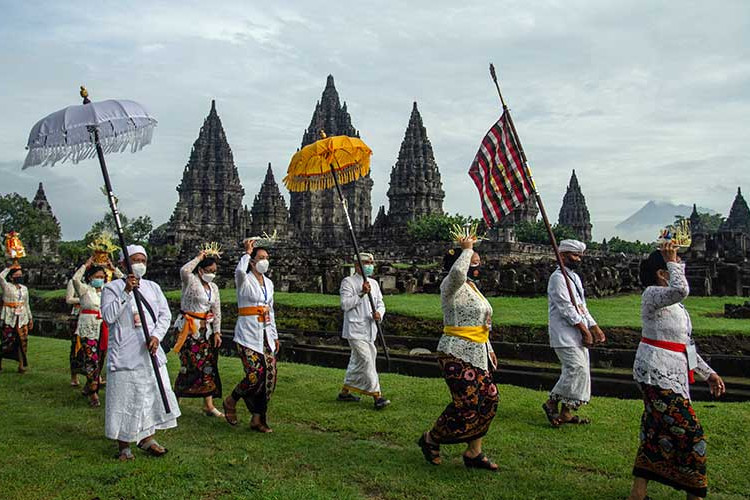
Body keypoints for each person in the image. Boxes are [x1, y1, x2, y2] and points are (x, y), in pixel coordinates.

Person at [628, 241, 725, 500]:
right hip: (655, 373)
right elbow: (681, 289)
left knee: (654, 433)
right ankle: (695, 495)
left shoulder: (676, 307)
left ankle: (637, 494)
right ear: (662, 273)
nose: (680, 267)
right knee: (693, 435)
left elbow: (685, 345)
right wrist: (671, 258)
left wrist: (708, 373)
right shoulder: (651, 294)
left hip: (673, 371)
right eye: (676, 265)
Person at [418, 236, 499, 471]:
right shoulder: (450, 285)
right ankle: (431, 438)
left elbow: (482, 322)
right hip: (455, 352)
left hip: (478, 351)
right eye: (473, 262)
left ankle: (474, 452)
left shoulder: (473, 288)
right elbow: (457, 273)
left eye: (478, 261)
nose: (477, 266)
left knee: (489, 398)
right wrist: (466, 250)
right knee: (467, 403)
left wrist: (489, 348)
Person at [101, 245, 180, 461]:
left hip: (150, 351)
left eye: (143, 261)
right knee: (125, 398)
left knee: (150, 395)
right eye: (135, 260)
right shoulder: (112, 288)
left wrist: (156, 336)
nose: (140, 265)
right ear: (123, 264)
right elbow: (108, 317)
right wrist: (126, 291)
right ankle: (124, 445)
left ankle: (148, 438)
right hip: (125, 353)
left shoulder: (153, 287)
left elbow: (165, 315)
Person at [542, 239, 605, 427]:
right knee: (576, 369)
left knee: (582, 372)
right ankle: (551, 402)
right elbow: (566, 308)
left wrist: (594, 327)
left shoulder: (573, 278)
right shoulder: (557, 278)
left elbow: (581, 307)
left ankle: (567, 411)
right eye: (575, 255)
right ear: (562, 256)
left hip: (577, 332)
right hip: (564, 333)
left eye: (580, 256)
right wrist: (584, 330)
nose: (578, 259)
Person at [223, 239, 278, 433]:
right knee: (255, 374)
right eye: (261, 258)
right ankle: (231, 400)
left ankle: (258, 418)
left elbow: (270, 310)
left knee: (270, 376)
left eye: (267, 258)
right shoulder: (244, 280)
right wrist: (247, 253)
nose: (265, 261)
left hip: (266, 334)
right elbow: (239, 271)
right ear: (252, 262)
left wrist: (274, 335)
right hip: (247, 334)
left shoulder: (269, 283)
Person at [172, 250, 223, 417]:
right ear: (200, 270)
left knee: (207, 365)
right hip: (188, 330)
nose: (212, 274)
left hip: (205, 331)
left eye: (214, 271)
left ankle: (208, 405)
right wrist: (199, 258)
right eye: (209, 271)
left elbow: (216, 310)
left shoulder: (213, 287)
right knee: (190, 365)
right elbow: (184, 270)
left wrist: (217, 332)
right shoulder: (191, 281)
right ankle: (175, 400)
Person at [337, 252, 390, 410]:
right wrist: (361, 293)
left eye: (371, 263)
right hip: (355, 330)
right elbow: (345, 304)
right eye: (367, 263)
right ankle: (377, 396)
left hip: (370, 329)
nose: (370, 266)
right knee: (367, 360)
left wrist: (379, 313)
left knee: (358, 361)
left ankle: (345, 391)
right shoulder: (348, 282)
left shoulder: (374, 283)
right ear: (357, 265)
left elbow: (380, 303)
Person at [71, 256, 123, 407]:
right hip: (88, 327)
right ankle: (93, 391)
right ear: (90, 278)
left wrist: (113, 269)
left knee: (100, 358)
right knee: (91, 358)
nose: (100, 279)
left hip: (104, 327)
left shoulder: (107, 290)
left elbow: (125, 283)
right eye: (97, 277)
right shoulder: (84, 290)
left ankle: (90, 385)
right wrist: (86, 265)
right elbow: (75, 279)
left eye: (102, 277)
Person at [0, 264, 33, 373]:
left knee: (22, 341)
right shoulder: (7, 286)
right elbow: (0, 277)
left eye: (20, 275)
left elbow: (26, 304)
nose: (19, 277)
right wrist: (9, 268)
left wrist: (30, 318)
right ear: (11, 277)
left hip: (22, 317)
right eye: (17, 275)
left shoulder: (24, 289)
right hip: (9, 317)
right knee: (6, 341)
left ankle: (21, 365)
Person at [66, 273, 82, 386]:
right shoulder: (74, 282)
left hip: (95, 316)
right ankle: (74, 375)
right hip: (78, 317)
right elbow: (69, 299)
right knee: (76, 346)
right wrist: (84, 299)